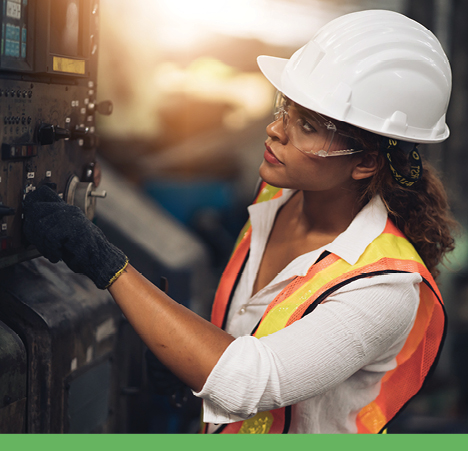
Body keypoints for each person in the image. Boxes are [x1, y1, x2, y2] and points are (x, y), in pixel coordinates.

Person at [23, 10, 457, 433]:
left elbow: (245, 382)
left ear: (364, 162)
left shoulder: (384, 287)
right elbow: (247, 339)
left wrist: (106, 264)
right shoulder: (278, 196)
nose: (275, 130)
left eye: (306, 125)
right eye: (285, 107)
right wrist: (188, 358)